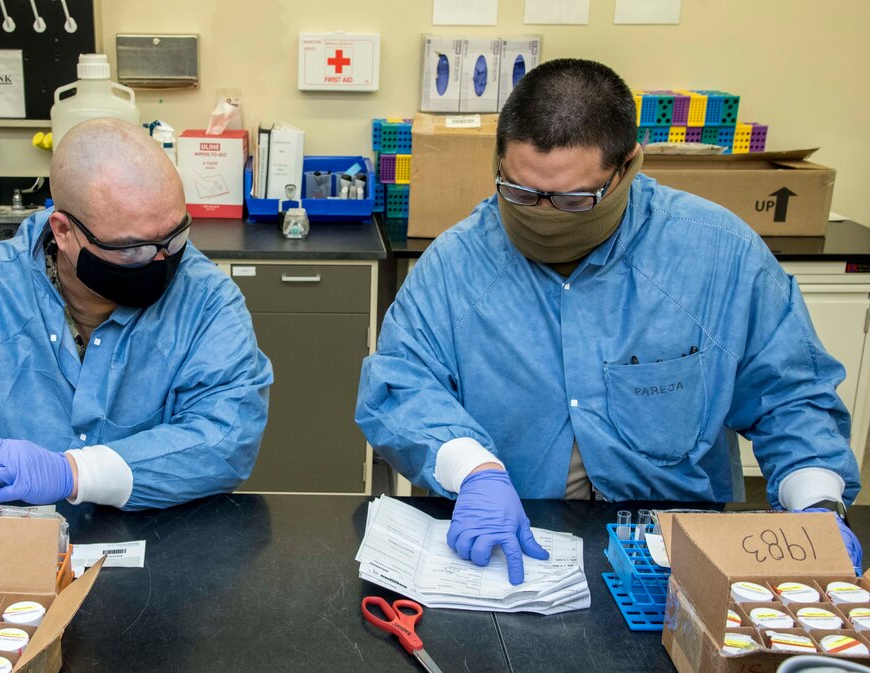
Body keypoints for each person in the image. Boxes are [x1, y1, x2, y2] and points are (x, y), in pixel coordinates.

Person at [356, 59, 861, 584]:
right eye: (521, 193)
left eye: (575, 199)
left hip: (672, 557)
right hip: (512, 545)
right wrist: (473, 470)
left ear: (627, 167)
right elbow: (401, 385)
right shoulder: (456, 265)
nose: (543, 214)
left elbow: (790, 396)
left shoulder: (717, 255)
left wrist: (816, 504)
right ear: (499, 163)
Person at [0, 118, 272, 510]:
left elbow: (226, 436)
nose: (161, 259)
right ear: (63, 231)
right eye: (132, 247)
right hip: (7, 545)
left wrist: (74, 472)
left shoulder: (207, 300)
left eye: (175, 235)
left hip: (159, 543)